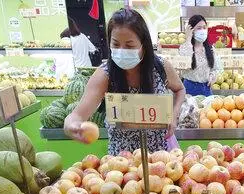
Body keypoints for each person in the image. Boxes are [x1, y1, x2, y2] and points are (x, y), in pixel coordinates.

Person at [64, 8, 185, 155]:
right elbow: (76, 115)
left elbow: (180, 89)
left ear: (143, 46)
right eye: (115, 44)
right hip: (121, 166)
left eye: (129, 45)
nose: (121, 50)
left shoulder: (160, 67)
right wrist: (72, 126)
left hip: (159, 159)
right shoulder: (105, 75)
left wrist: (174, 114)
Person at [179, 15, 221, 96]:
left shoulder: (210, 48)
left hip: (206, 88)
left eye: (204, 27)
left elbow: (216, 68)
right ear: (191, 30)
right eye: (199, 28)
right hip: (189, 88)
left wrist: (212, 76)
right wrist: (188, 39)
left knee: (208, 109)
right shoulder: (184, 47)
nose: (202, 30)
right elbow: (185, 64)